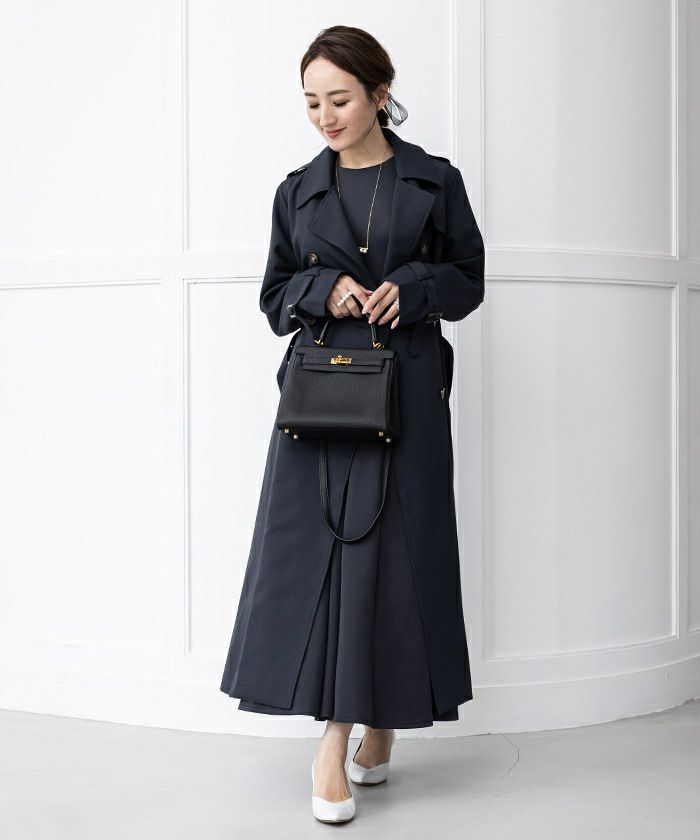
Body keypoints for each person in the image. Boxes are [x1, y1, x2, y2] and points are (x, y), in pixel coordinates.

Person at [220, 25, 485, 824]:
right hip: (321, 400)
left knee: (398, 559)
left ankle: (372, 725)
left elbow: (469, 281)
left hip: (407, 394)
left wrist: (416, 286)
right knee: (319, 560)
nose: (325, 117)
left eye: (339, 99)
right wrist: (322, 288)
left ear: (380, 93)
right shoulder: (297, 191)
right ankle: (335, 743)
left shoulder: (434, 181)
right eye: (311, 103)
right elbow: (274, 296)